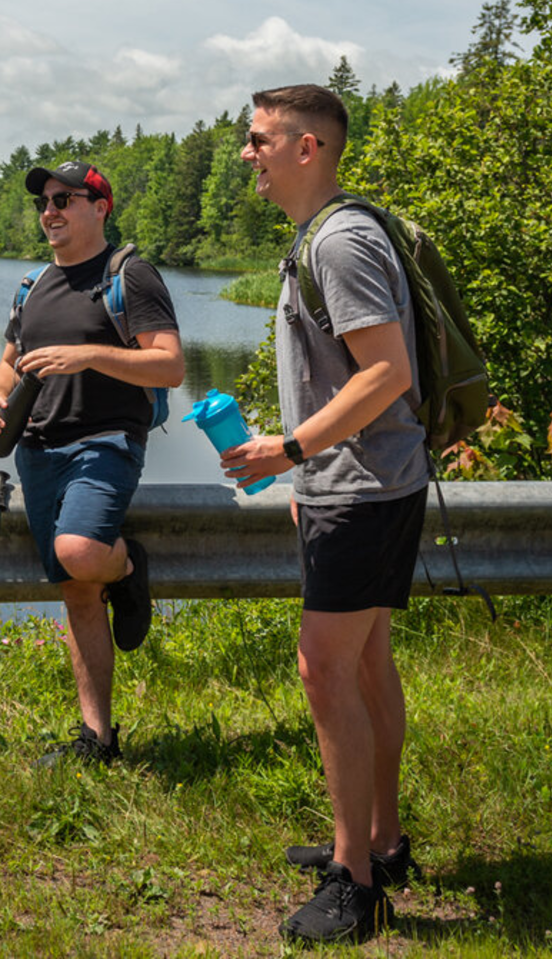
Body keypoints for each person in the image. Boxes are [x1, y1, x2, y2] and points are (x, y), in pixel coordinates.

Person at [219, 85, 427, 945]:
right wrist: (306, 471)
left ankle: (354, 884)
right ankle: (380, 842)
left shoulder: (339, 241)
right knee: (367, 661)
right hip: (363, 484)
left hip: (362, 490)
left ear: (308, 148)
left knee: (324, 670)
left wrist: (293, 449)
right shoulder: (325, 235)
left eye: (259, 139)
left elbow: (386, 372)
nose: (247, 153)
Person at [0, 160, 184, 765]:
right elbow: (8, 364)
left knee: (81, 552)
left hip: (106, 442)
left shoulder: (129, 275)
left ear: (100, 207)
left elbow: (170, 365)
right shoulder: (33, 285)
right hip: (37, 450)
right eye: (44, 202)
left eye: (64, 199)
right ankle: (98, 739)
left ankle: (127, 564)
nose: (50, 211)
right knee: (76, 593)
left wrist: (88, 355)